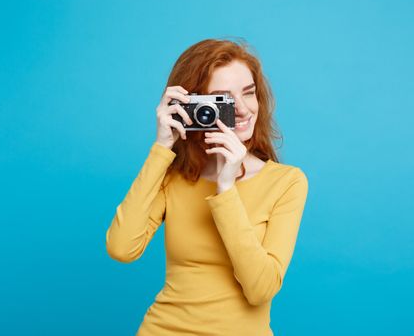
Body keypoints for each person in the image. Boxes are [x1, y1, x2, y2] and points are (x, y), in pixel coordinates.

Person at [105, 38, 309, 336]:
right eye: (222, 99)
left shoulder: (286, 182)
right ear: (195, 106)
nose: (241, 109)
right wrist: (163, 146)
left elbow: (260, 289)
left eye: (249, 93)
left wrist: (226, 188)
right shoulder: (174, 177)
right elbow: (121, 248)